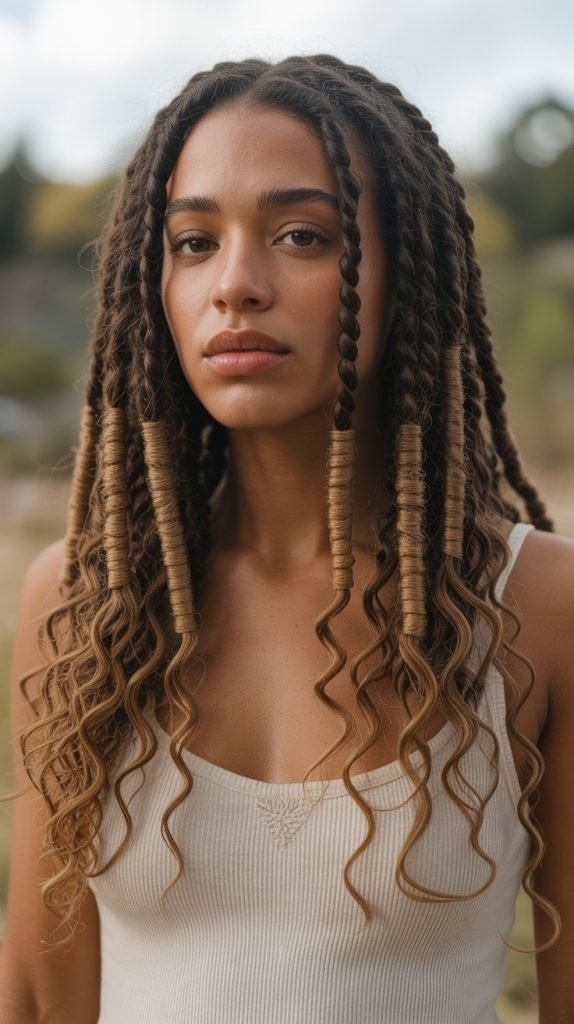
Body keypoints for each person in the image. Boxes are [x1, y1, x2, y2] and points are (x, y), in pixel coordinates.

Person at [0, 54, 572, 1024]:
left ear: (410, 272)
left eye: (302, 235)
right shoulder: (79, 598)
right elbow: (41, 995)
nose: (236, 285)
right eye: (192, 242)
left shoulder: (537, 605)